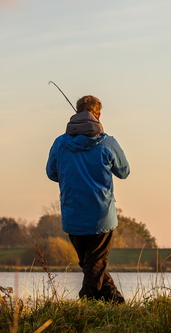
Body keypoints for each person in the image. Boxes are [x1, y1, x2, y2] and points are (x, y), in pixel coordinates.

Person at [46, 95, 130, 303]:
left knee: (91, 263)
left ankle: (115, 302)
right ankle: (87, 302)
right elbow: (124, 171)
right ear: (98, 115)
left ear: (77, 113)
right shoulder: (108, 142)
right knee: (94, 264)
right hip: (101, 216)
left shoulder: (60, 143)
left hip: (73, 214)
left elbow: (51, 173)